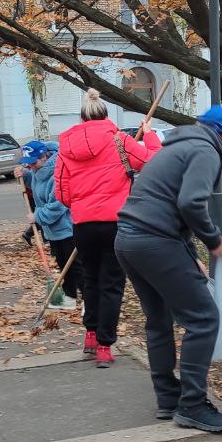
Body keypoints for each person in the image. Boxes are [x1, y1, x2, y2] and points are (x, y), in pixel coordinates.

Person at [116, 106, 222, 432]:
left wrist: (189, 253)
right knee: (204, 318)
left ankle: (169, 399)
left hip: (128, 240)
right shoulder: (206, 150)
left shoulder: (176, 147)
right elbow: (190, 203)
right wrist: (213, 240)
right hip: (155, 242)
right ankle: (193, 405)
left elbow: (169, 204)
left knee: (158, 320)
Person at [55, 89, 162, 367]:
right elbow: (154, 163)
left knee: (90, 279)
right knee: (112, 284)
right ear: (106, 116)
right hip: (116, 223)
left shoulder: (65, 147)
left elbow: (62, 194)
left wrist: (83, 202)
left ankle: (91, 335)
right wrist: (149, 134)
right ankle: (105, 345)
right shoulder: (120, 140)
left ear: (82, 118)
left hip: (83, 225)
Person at [21, 139, 83, 310]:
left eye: (32, 163)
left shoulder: (57, 174)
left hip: (67, 228)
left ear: (44, 157)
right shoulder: (38, 170)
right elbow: (35, 183)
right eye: (27, 164)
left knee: (76, 266)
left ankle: (89, 300)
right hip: (53, 230)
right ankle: (69, 297)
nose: (30, 166)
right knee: (64, 265)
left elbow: (58, 205)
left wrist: (37, 216)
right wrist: (23, 175)